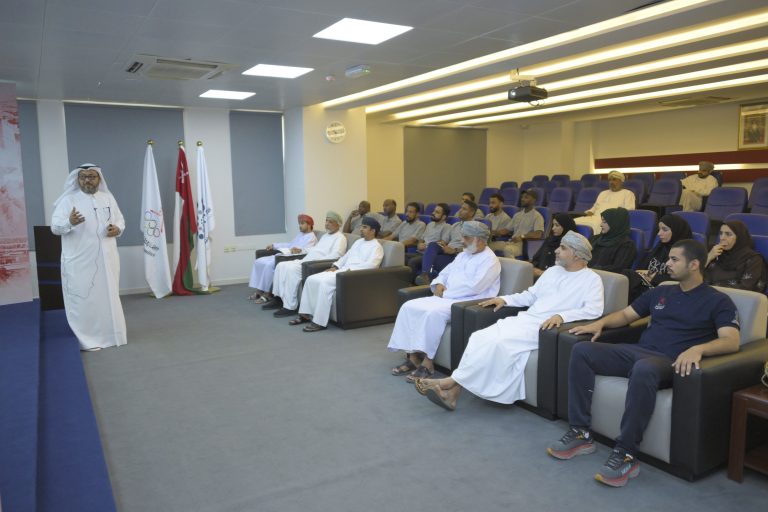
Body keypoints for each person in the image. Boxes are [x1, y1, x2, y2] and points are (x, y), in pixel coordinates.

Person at [547, 239, 740, 488]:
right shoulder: (661, 292)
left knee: (644, 367)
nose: (667, 263)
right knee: (582, 350)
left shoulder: (718, 301)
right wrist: (600, 324)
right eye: (668, 258)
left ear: (694, 265)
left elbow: (731, 340)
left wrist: (698, 349)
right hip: (639, 351)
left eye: (674, 259)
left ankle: (626, 453)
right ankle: (580, 432)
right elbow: (626, 315)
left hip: (670, 361)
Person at [414, 231, 603, 410]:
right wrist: (505, 300)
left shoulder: (591, 280)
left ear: (577, 255)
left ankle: (449, 383)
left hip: (546, 328)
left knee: (498, 343)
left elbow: (593, 310)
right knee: (480, 336)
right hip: (526, 319)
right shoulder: (553, 271)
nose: (556, 251)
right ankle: (453, 392)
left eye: (562, 248)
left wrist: (562, 316)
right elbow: (530, 296)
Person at [388, 221, 501, 381]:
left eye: (466, 238)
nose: (462, 241)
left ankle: (428, 364)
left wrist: (446, 293)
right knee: (408, 306)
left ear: (480, 240)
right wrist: (439, 284)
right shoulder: (463, 255)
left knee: (432, 314)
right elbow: (445, 273)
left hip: (468, 303)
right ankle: (412, 357)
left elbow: (475, 287)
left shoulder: (490, 260)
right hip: (446, 297)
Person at [50, 164, 127, 351]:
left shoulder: (108, 198)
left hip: (107, 259)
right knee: (84, 299)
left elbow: (120, 220)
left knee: (107, 296)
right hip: (80, 261)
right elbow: (55, 228)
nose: (87, 180)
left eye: (91, 176)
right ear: (77, 179)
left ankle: (112, 335)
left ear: (99, 179)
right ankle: (87, 339)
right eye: (83, 177)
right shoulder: (68, 200)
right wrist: (69, 222)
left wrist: (117, 229)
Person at [293, 217, 384, 332]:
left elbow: (372, 265)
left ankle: (319, 322)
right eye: (361, 227)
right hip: (342, 271)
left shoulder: (377, 247)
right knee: (311, 279)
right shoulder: (358, 242)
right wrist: (335, 266)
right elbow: (346, 256)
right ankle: (305, 314)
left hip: (353, 276)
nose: (361, 229)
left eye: (365, 227)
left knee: (324, 283)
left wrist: (350, 270)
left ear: (373, 231)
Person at [266, 212, 347, 316]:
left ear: (338, 224)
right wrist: (302, 250)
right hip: (306, 260)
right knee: (281, 265)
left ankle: (290, 306)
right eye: (326, 221)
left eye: (330, 222)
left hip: (315, 264)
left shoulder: (340, 238)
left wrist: (316, 260)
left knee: (291, 270)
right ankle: (278, 299)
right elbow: (315, 249)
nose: (327, 224)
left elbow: (336, 256)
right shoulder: (325, 236)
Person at [247, 214, 317, 303]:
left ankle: (267, 294)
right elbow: (289, 244)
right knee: (259, 261)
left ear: (309, 224)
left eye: (302, 223)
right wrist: (274, 245)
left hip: (291, 258)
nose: (300, 225)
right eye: (299, 223)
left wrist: (299, 250)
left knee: (269, 265)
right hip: (284, 254)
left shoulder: (312, 238)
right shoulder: (300, 234)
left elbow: (308, 251)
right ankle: (259, 290)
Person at [627, 214, 692, 302]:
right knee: (626, 276)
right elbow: (640, 269)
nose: (659, 233)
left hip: (664, 294)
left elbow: (679, 280)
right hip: (646, 287)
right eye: (659, 229)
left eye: (664, 229)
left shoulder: (684, 253)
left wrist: (652, 276)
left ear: (676, 231)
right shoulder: (660, 247)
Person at [414, 200, 477, 284]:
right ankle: (425, 275)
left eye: (464, 209)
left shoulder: (476, 228)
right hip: (447, 251)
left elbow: (476, 248)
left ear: (471, 213)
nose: (460, 210)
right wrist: (443, 244)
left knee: (430, 260)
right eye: (461, 208)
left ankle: (427, 278)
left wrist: (455, 250)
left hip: (458, 255)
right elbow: (444, 241)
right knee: (432, 245)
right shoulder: (455, 225)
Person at [704, 220, 766, 293]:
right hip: (706, 294)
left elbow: (746, 288)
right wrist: (708, 257)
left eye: (728, 234)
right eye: (721, 233)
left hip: (734, 297)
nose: (722, 238)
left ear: (739, 237)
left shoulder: (753, 259)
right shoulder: (713, 252)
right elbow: (695, 277)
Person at [407, 203, 451, 281]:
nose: (433, 213)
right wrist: (419, 244)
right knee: (402, 257)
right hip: (419, 252)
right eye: (434, 211)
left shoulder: (447, 226)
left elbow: (442, 243)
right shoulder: (430, 224)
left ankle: (412, 285)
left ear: (444, 216)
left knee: (412, 262)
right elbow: (422, 239)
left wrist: (426, 246)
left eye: (437, 212)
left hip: (429, 255)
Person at [588, 207, 636, 275]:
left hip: (604, 278)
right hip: (584, 274)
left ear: (616, 223)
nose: (601, 225)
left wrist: (593, 270)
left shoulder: (626, 245)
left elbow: (618, 268)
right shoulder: (595, 239)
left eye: (604, 222)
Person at [498, 189, 544, 258]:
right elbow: (506, 230)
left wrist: (522, 237)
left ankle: (513, 266)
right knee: (491, 245)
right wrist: (493, 232)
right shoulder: (517, 215)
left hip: (523, 245)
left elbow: (538, 234)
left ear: (533, 200)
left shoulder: (537, 216)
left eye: (526, 197)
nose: (522, 199)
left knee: (507, 250)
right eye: (522, 197)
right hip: (511, 242)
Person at [531, 213, 577, 278]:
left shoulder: (571, 243)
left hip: (555, 278)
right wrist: (533, 268)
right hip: (539, 275)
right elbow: (536, 258)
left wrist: (543, 273)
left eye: (557, 225)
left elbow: (567, 268)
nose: (553, 228)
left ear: (565, 226)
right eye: (553, 225)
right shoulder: (549, 240)